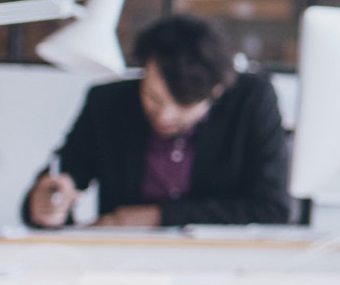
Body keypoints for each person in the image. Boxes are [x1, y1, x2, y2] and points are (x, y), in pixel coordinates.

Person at [24, 13, 290, 230]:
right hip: (121, 268)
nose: (164, 116)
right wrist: (46, 203)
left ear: (216, 91)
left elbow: (272, 209)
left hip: (220, 265)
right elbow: (62, 177)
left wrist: (155, 216)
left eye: (184, 104)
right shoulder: (107, 103)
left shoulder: (251, 100)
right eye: (153, 97)